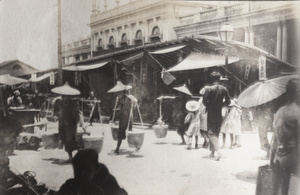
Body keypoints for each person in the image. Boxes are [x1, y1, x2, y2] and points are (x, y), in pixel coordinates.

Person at [270, 78, 299, 195]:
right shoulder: (297, 112)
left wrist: (271, 158)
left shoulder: (280, 111)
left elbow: (275, 138)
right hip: (294, 157)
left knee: (280, 189)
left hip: (279, 156)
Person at [58, 149, 128, 195]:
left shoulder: (110, 184)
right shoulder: (69, 185)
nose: (82, 173)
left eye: (87, 169)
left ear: (96, 169)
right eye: (78, 168)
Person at [203, 71, 231, 160]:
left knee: (210, 132)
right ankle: (212, 152)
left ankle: (218, 151)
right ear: (219, 79)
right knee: (216, 131)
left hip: (211, 112)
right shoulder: (224, 89)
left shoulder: (209, 89)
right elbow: (228, 101)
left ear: (212, 79)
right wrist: (221, 105)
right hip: (219, 112)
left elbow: (204, 101)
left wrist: (209, 105)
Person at [58, 97, 88, 163]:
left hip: (70, 125)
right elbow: (60, 113)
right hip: (62, 125)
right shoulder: (61, 102)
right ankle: (70, 157)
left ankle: (83, 156)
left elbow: (78, 114)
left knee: (72, 141)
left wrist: (82, 124)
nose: (63, 96)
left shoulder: (74, 103)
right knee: (66, 142)